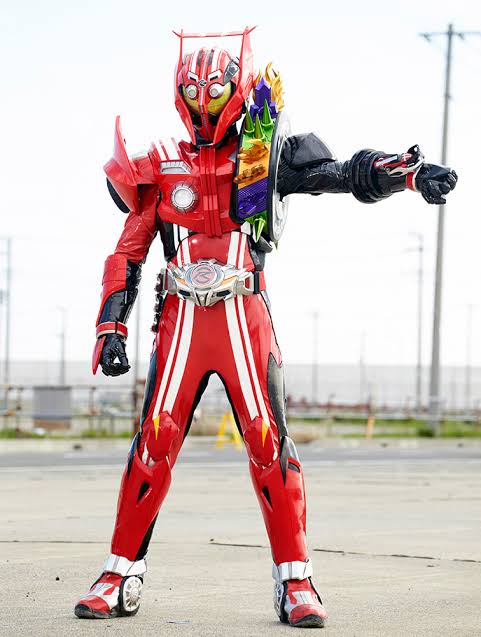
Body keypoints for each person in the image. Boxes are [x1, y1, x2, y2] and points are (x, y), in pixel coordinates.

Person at [75, 27, 457, 628]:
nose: (204, 103)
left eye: (214, 91)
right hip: (181, 322)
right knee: (153, 443)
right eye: (194, 92)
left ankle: (295, 579)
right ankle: (119, 571)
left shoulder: (262, 153)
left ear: (236, 88)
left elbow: (338, 173)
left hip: (242, 317)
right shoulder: (157, 162)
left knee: (267, 442)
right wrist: (110, 327)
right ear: (180, 93)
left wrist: (404, 174)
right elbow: (129, 250)